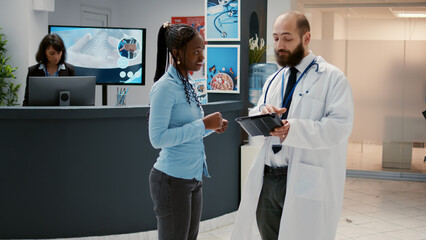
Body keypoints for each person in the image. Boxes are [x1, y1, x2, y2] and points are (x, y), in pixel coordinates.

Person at [231, 11, 354, 240]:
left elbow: (340, 127)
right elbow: (256, 110)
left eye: (287, 38)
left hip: (303, 178)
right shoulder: (274, 79)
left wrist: (294, 129)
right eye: (276, 38)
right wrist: (263, 114)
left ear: (306, 38)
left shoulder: (332, 78)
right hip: (268, 180)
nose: (280, 45)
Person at [148, 22, 228, 240]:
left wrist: (212, 127)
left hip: (193, 177)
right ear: (177, 53)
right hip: (172, 179)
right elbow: (158, 138)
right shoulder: (165, 87)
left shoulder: (188, 83)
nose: (202, 57)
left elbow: (188, 131)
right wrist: (203, 124)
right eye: (196, 51)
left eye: (203, 50)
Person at [23, 33, 75, 106]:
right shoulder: (33, 71)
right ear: (44, 52)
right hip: (39, 113)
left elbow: (74, 98)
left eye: (59, 53)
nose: (56, 57)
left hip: (62, 113)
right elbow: (27, 99)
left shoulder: (69, 70)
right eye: (52, 53)